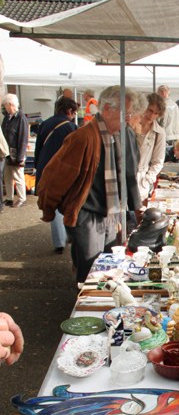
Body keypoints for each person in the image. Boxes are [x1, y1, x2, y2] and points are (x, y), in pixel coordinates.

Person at [37, 85, 143, 284]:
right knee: (90, 274)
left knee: (111, 269)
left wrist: (131, 208)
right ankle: (85, 311)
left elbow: (128, 174)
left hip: (110, 214)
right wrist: (49, 209)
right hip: (87, 216)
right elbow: (54, 177)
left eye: (129, 113)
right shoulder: (82, 137)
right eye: (125, 112)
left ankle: (106, 307)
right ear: (107, 110)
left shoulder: (118, 135)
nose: (128, 117)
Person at [34, 96, 79, 253]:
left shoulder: (45, 123)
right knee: (67, 204)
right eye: (74, 112)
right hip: (64, 172)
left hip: (45, 170)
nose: (74, 115)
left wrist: (37, 169)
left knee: (52, 206)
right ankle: (69, 236)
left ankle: (59, 243)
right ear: (69, 111)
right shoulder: (71, 127)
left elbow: (38, 149)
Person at [134, 92, 166, 203]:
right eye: (150, 110)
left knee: (139, 215)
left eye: (156, 113)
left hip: (142, 180)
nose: (151, 116)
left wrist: (148, 178)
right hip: (124, 179)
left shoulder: (159, 133)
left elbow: (158, 161)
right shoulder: (131, 125)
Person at [1, 93, 29, 208]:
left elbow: (23, 138)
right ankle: (9, 198)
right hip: (7, 152)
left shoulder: (21, 118)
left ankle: (22, 199)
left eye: (5, 105)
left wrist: (20, 156)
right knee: (7, 175)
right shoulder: (7, 118)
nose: (5, 107)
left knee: (18, 176)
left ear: (10, 104)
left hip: (16, 152)